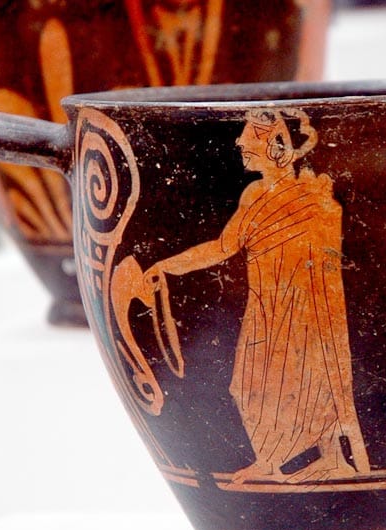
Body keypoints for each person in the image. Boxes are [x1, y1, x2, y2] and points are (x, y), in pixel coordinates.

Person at [145, 108, 371, 484]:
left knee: (314, 381)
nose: (240, 143)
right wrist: (169, 265)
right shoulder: (254, 195)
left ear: (276, 146)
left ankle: (332, 458)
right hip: (266, 306)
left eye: (250, 137)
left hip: (306, 308)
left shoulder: (313, 194)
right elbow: (223, 246)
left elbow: (329, 259)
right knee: (247, 385)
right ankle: (269, 461)